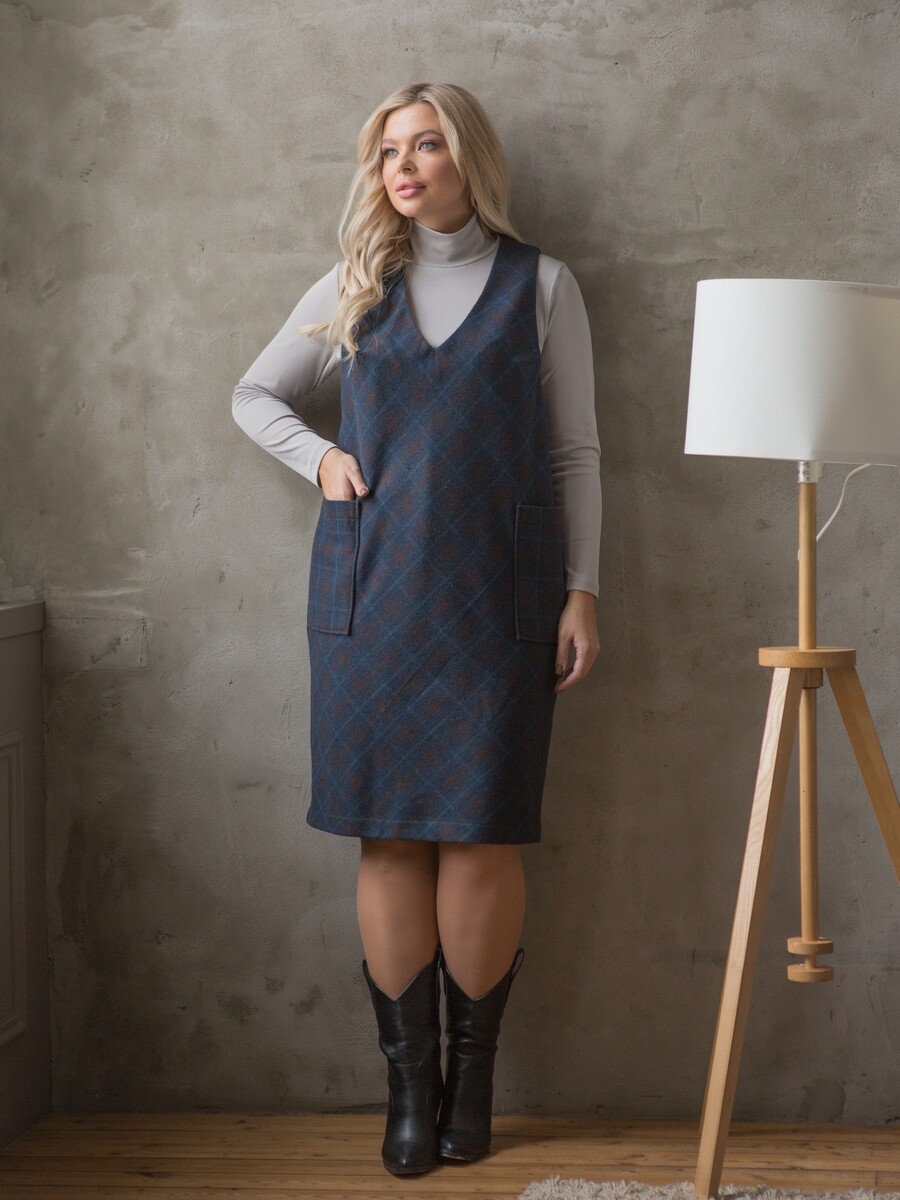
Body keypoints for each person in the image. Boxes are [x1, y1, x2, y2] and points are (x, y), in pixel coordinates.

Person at [232, 81, 602, 1177]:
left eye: (426, 144)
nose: (402, 165)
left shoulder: (543, 285)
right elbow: (255, 396)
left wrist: (585, 589)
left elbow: (576, 451)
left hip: (501, 597)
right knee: (387, 834)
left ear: (467, 158)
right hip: (370, 597)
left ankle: (470, 1088)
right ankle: (410, 1094)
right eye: (389, 149)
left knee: (482, 830)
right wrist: (322, 459)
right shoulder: (356, 282)